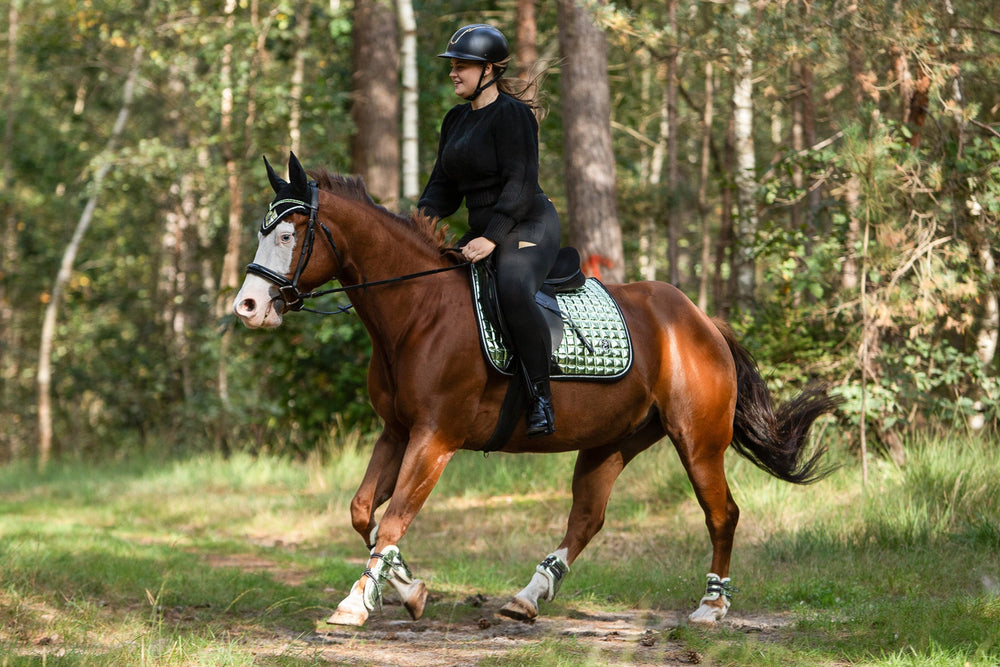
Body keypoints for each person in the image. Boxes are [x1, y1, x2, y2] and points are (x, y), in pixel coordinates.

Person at [417, 23, 561, 437]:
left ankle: (540, 398)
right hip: (485, 230)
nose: (452, 73)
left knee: (513, 287)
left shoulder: (514, 116)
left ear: (489, 70)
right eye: (452, 66)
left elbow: (519, 186)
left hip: (528, 223)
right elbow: (440, 189)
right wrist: (416, 226)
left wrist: (492, 237)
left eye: (461, 66)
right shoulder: (455, 120)